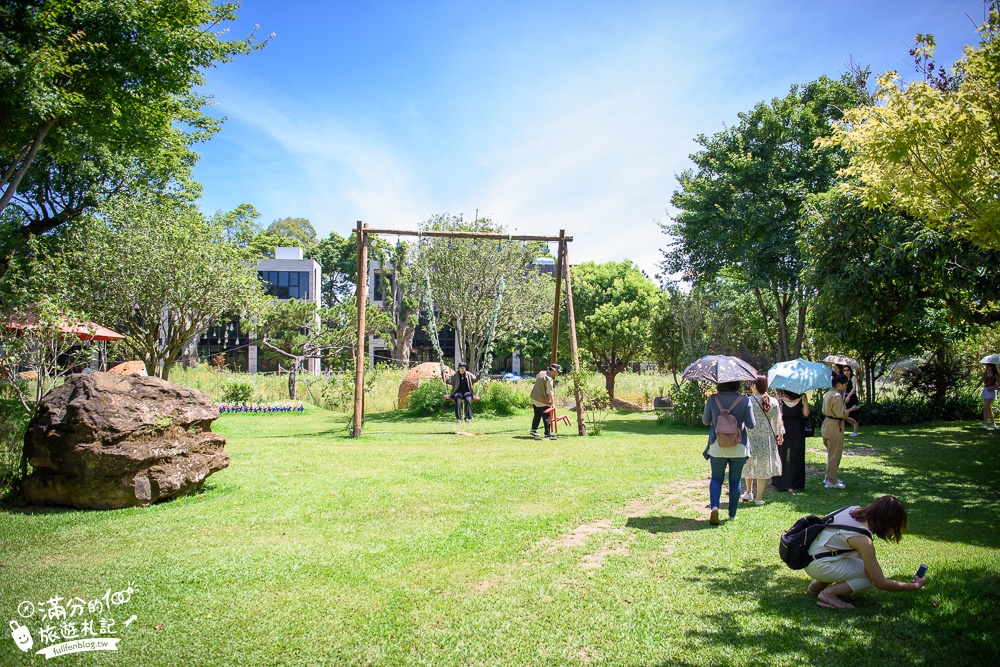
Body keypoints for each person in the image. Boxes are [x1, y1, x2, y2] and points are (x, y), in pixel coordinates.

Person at [806, 495, 926, 610]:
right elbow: (880, 583)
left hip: (808, 557)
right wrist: (913, 586)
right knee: (872, 577)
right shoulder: (863, 540)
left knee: (864, 564)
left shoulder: (852, 510)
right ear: (888, 523)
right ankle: (829, 594)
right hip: (818, 565)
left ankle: (818, 585)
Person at [702, 381, 756, 525]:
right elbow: (751, 424)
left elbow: (705, 421)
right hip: (738, 446)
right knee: (735, 480)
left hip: (717, 444)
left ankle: (714, 507)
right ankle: (732, 515)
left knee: (716, 479)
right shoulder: (744, 400)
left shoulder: (712, 399)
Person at [741, 375, 784, 506]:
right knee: (763, 466)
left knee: (749, 463)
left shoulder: (748, 401)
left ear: (755, 385)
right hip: (767, 438)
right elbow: (778, 421)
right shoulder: (773, 402)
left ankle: (749, 491)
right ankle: (759, 497)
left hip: (750, 436)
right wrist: (779, 434)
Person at [822, 374, 857, 489]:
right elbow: (840, 413)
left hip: (827, 424)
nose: (846, 387)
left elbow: (834, 412)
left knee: (831, 452)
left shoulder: (828, 394)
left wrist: (847, 418)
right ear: (839, 385)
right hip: (834, 427)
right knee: (835, 454)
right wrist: (851, 410)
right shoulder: (836, 396)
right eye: (845, 385)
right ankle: (831, 481)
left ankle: (829, 477)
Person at [771, 389, 810, 493]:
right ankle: (794, 483)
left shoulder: (779, 394)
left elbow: (774, 412)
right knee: (796, 454)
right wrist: (805, 400)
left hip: (783, 426)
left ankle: (780, 482)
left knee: (781, 453)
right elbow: (806, 414)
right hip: (797, 426)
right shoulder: (802, 395)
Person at [530, 363, 561, 440]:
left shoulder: (542, 372)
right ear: (553, 371)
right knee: (547, 416)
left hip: (533, 397)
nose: (557, 374)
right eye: (557, 372)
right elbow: (550, 392)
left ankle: (533, 430)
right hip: (540, 399)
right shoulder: (549, 379)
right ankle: (547, 434)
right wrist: (553, 404)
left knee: (537, 414)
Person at [975, 363, 997, 429]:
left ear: (992, 367)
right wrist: (975, 388)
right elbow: (981, 381)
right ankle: (993, 424)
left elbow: (998, 383)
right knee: (989, 408)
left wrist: (993, 387)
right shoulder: (985, 374)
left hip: (991, 391)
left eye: (988, 366)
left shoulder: (996, 375)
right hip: (985, 390)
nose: (987, 367)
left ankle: (985, 424)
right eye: (986, 366)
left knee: (985, 407)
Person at [843, 365, 860, 437]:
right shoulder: (843, 379)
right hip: (845, 396)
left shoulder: (853, 378)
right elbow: (843, 390)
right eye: (845, 370)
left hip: (852, 397)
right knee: (844, 413)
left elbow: (854, 389)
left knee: (853, 413)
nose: (846, 372)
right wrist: (844, 397)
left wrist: (848, 396)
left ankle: (855, 431)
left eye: (848, 370)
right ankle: (841, 431)